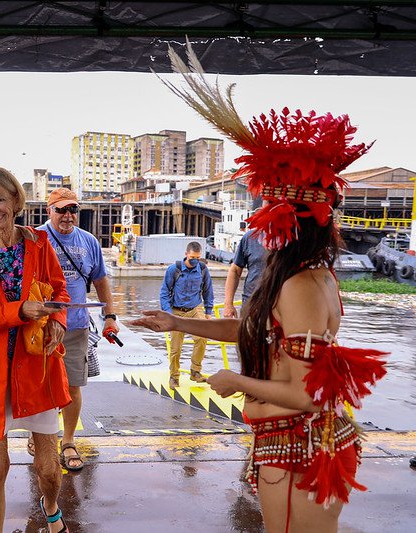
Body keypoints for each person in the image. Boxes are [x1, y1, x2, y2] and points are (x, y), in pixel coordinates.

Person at [135, 46, 387, 533]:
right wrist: (177, 322)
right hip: (289, 442)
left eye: (267, 212)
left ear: (289, 220)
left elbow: (309, 395)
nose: (259, 224)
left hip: (301, 444)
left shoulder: (301, 285)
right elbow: (255, 331)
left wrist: (238, 383)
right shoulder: (298, 277)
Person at [0, 168, 72, 533]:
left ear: (15, 202)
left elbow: (59, 291)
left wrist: (58, 320)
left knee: (49, 469)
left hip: (37, 368)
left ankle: (50, 506)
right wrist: (18, 310)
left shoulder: (39, 243)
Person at [37, 187, 118, 472]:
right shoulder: (36, 238)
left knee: (72, 386)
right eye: (61, 210)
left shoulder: (89, 241)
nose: (67, 215)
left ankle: (68, 440)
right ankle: (41, 437)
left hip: (76, 326)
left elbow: (101, 280)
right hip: (41, 327)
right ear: (49, 211)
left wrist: (110, 316)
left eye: (73, 209)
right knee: (40, 385)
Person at [159, 241, 214, 388]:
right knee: (176, 348)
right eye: (192, 258)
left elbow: (208, 290)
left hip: (195, 309)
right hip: (176, 311)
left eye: (198, 258)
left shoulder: (203, 269)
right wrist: (168, 314)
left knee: (202, 337)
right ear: (186, 255)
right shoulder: (174, 270)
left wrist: (208, 311)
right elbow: (164, 292)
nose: (195, 260)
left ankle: (195, 371)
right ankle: (174, 376)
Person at [223, 199, 268, 318]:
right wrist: (228, 304)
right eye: (267, 202)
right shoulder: (250, 238)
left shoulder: (294, 240)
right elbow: (235, 270)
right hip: (251, 304)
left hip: (281, 307)